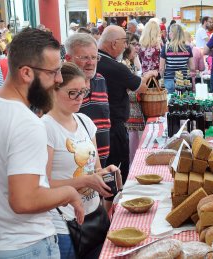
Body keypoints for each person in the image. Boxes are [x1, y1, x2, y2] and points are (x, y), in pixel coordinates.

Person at [0, 27, 83, 257]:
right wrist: (69, 193)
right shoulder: (27, 123)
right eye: (53, 72)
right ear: (26, 73)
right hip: (24, 246)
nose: (58, 80)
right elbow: (25, 200)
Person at [42, 62, 121, 258]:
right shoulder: (45, 127)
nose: (80, 98)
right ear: (54, 89)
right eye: (73, 93)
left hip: (94, 215)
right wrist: (85, 181)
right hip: (64, 223)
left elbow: (95, 170)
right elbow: (43, 186)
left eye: (83, 92)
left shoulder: (85, 121)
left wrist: (106, 174)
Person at [97, 25, 157, 184]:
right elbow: (141, 87)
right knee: (116, 170)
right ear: (114, 43)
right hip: (114, 126)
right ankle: (114, 202)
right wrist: (149, 74)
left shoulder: (98, 62)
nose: (126, 46)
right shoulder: (116, 67)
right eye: (125, 42)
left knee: (102, 169)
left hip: (96, 125)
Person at [65, 33, 111, 170]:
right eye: (84, 57)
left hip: (100, 162)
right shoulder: (61, 86)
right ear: (68, 58)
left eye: (94, 57)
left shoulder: (100, 79)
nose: (91, 62)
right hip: (77, 163)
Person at [122, 38, 145, 165]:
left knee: (133, 132)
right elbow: (132, 85)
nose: (137, 47)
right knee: (132, 132)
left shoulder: (130, 62)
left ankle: (133, 161)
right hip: (129, 103)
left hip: (132, 102)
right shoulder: (123, 63)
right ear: (126, 46)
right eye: (134, 44)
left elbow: (138, 73)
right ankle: (132, 162)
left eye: (138, 44)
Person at [160, 24, 194, 93]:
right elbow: (192, 67)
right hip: (183, 81)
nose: (168, 33)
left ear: (173, 34)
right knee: (183, 102)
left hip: (169, 80)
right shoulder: (187, 48)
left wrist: (162, 78)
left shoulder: (166, 48)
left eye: (170, 32)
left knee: (169, 102)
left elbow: (161, 68)